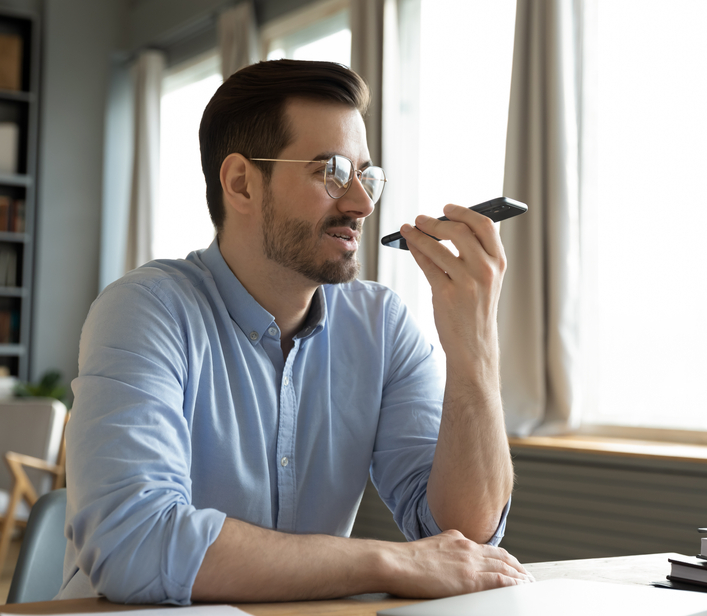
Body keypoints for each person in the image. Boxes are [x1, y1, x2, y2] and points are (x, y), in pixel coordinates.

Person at [57, 59, 531, 605]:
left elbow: (463, 541)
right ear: (241, 183)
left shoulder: (381, 325)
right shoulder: (145, 310)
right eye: (330, 171)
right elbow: (135, 543)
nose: (361, 203)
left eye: (365, 175)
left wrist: (475, 351)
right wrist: (389, 561)